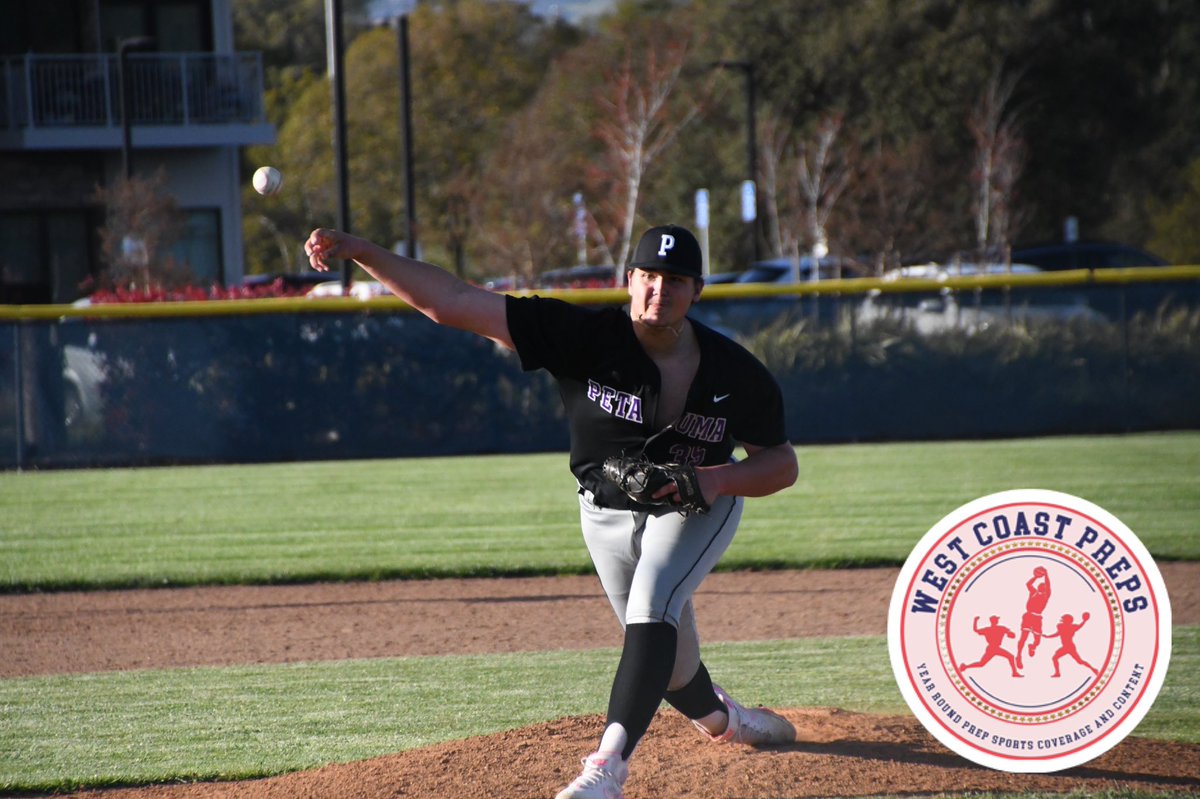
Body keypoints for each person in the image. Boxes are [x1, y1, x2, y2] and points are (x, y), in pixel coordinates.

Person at [305, 223, 800, 799]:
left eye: (674, 281)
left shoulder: (735, 372)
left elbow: (781, 464)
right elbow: (452, 303)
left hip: (696, 509)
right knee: (671, 668)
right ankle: (732, 722)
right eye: (648, 277)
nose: (658, 291)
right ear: (629, 280)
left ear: (697, 291)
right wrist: (362, 250)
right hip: (603, 513)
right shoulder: (581, 336)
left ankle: (607, 768)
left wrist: (715, 479)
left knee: (651, 607)